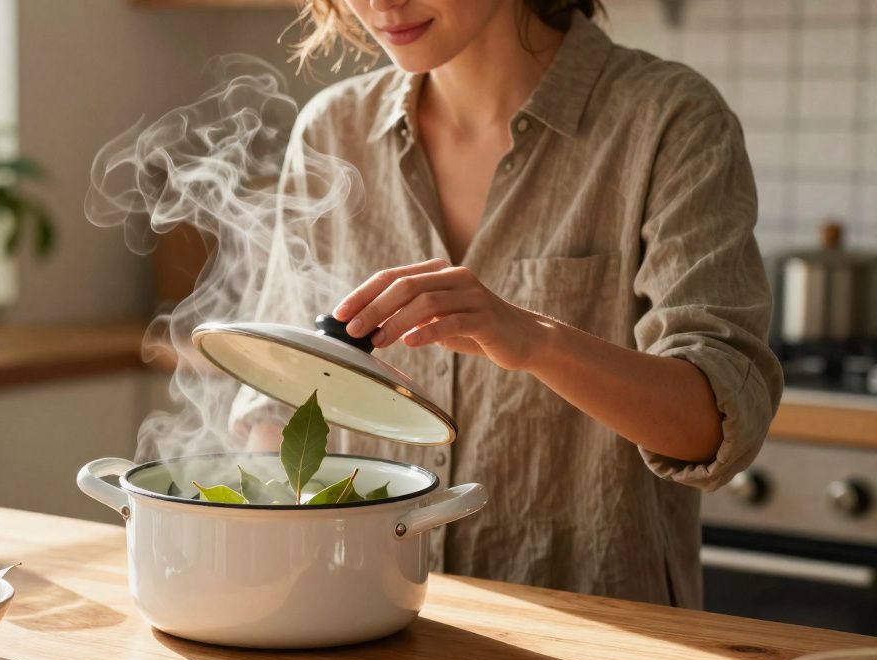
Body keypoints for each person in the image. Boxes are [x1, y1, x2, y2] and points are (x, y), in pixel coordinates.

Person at [232, 0, 783, 607]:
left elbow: (710, 426)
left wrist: (537, 341)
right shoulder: (333, 130)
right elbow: (280, 398)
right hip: (361, 623)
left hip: (600, 651)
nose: (382, 4)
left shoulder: (668, 120)